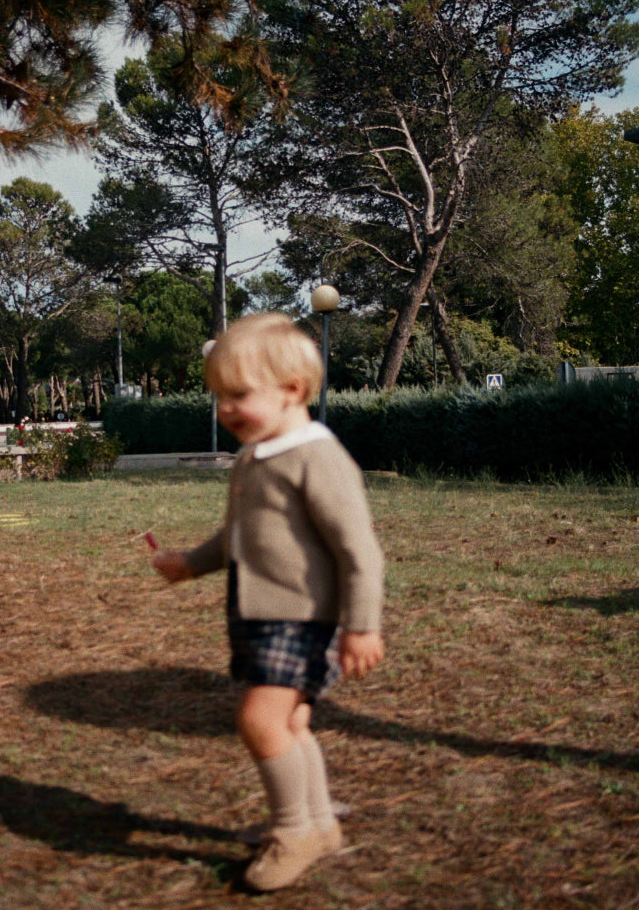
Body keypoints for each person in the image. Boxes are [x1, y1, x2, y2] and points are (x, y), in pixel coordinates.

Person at [152, 312, 385, 891]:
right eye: (219, 397)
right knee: (293, 722)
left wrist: (361, 626)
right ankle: (318, 822)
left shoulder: (317, 457)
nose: (225, 409)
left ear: (292, 390)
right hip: (258, 614)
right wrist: (192, 563)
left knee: (260, 721)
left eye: (238, 395)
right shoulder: (257, 455)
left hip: (303, 617)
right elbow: (240, 535)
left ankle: (294, 830)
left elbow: (359, 550)